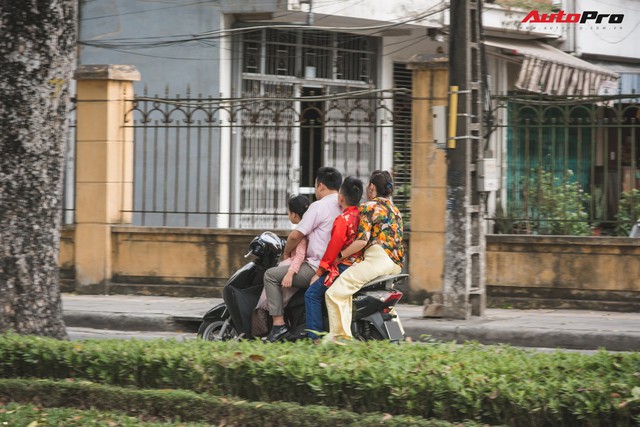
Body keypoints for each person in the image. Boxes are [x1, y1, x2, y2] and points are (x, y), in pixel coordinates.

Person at [264, 167, 343, 342]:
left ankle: (278, 325)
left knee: (270, 276)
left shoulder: (318, 206)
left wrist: (285, 252)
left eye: (315, 186)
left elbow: (296, 235)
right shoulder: (344, 205)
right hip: (340, 266)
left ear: (321, 186)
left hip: (316, 267)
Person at [324, 170, 404, 342]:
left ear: (372, 187)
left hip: (378, 260)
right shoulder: (396, 210)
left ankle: (340, 339)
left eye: (369, 185)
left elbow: (362, 241)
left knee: (335, 293)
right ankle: (398, 337)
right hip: (395, 264)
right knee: (383, 301)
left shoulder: (369, 207)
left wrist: (339, 256)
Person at [304, 176, 364, 341]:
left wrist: (320, 270)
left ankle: (314, 338)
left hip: (343, 266)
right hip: (359, 266)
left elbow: (333, 249)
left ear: (341, 197)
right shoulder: (362, 216)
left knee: (311, 294)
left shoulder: (342, 220)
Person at [252, 195, 310, 336]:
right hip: (298, 264)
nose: (288, 214)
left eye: (289, 212)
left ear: (295, 215)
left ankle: (278, 324)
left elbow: (300, 255)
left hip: (297, 266)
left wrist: (290, 273)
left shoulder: (301, 231)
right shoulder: (306, 227)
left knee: (270, 277)